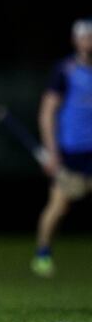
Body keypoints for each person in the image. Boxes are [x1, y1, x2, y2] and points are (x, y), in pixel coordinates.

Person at [32, 18, 92, 278]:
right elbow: (47, 113)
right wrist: (51, 152)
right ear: (75, 40)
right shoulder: (65, 71)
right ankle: (42, 253)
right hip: (71, 152)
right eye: (84, 37)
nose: (88, 41)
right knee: (59, 206)